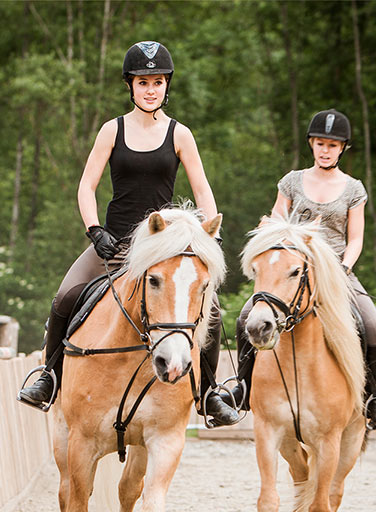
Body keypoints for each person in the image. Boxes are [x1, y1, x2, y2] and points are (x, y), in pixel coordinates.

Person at [17, 41, 239, 426]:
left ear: (167, 86)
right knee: (66, 296)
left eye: (157, 82)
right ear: (130, 86)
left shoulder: (180, 134)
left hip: (162, 247)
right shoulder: (111, 130)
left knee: (212, 311)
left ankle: (208, 393)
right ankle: (49, 378)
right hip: (116, 242)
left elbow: (202, 190)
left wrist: (208, 234)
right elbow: (86, 187)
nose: (150, 89)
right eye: (142, 82)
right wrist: (94, 231)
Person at [210, 108, 376, 430]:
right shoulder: (292, 181)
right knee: (243, 318)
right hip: (292, 270)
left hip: (336, 270)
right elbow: (276, 221)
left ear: (342, 148)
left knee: (374, 327)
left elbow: (356, 239)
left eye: (333, 145)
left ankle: (372, 397)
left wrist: (343, 268)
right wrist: (269, 227)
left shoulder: (353, 189)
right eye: (320, 144)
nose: (325, 150)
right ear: (312, 144)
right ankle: (243, 386)